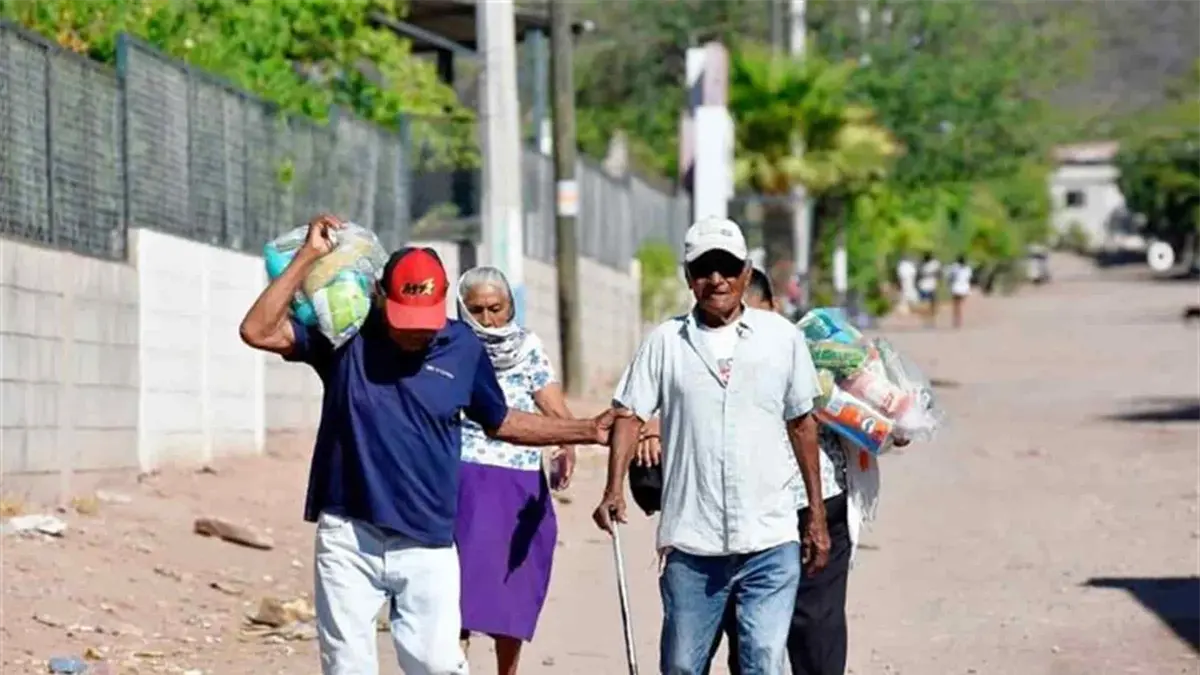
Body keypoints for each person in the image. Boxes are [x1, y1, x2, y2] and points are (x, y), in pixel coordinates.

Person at [238, 214, 625, 675]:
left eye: (425, 321)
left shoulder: (462, 347)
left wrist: (586, 430)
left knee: (438, 664)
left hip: (428, 538)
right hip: (349, 535)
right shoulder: (345, 338)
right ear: (381, 296)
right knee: (347, 666)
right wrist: (307, 257)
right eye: (405, 320)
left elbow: (501, 421)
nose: (416, 332)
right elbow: (257, 331)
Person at [593, 217, 830, 675]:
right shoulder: (666, 342)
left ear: (746, 272)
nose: (716, 279)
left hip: (769, 536)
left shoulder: (781, 338)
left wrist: (815, 516)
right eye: (704, 269)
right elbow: (629, 415)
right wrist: (612, 488)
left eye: (727, 268)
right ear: (689, 276)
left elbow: (803, 425)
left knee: (764, 662)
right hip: (692, 541)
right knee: (682, 666)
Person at [454, 266, 575, 675]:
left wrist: (567, 444)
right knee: (457, 593)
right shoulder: (451, 346)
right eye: (477, 310)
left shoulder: (527, 348)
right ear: (462, 310)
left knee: (513, 591)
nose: (488, 320)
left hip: (518, 482)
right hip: (466, 480)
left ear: (511, 307)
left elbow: (553, 406)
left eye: (496, 308)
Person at [946, 256, 972, 329]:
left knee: (956, 305)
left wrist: (949, 284)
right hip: (964, 288)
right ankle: (959, 319)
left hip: (956, 287)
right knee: (960, 304)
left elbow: (950, 277)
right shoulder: (968, 269)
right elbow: (969, 278)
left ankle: (956, 319)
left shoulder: (954, 267)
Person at [917, 252, 941, 325]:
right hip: (930, 286)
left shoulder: (921, 264)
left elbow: (918, 275)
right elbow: (939, 274)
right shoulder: (935, 264)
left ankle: (928, 320)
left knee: (926, 304)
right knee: (931, 304)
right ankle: (930, 320)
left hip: (925, 286)